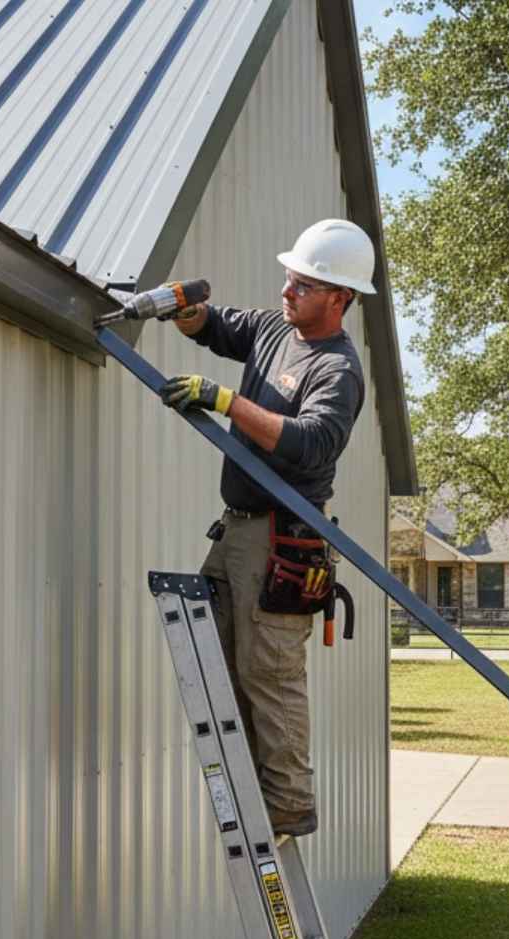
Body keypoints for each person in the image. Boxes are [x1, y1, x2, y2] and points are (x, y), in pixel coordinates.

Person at [159, 218, 375, 837]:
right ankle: (251, 784)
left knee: (270, 675)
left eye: (303, 286)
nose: (288, 293)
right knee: (216, 656)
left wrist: (226, 401)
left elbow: (311, 443)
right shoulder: (276, 327)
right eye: (288, 279)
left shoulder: (337, 371)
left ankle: (286, 804)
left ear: (339, 299)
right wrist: (185, 311)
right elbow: (220, 327)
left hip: (281, 540)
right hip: (237, 530)